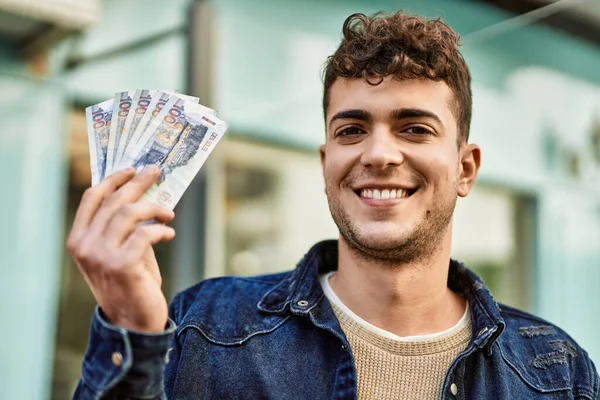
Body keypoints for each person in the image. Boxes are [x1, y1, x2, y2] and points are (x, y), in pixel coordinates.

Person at [68, 11, 599, 400]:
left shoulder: (556, 373)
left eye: (414, 128)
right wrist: (131, 328)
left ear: (465, 168)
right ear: (326, 162)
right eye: (352, 129)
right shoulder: (201, 330)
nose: (378, 154)